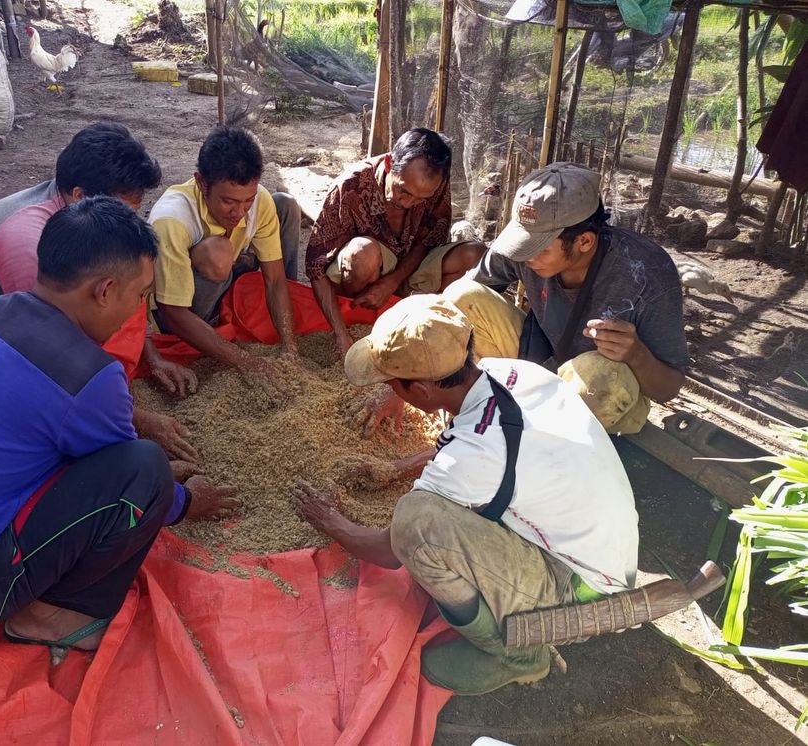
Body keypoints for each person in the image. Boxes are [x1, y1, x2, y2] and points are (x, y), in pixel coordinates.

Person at [0, 197, 239, 651]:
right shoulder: (89, 376)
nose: (138, 309)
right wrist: (187, 501)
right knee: (147, 466)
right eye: (140, 295)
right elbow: (129, 479)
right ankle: (51, 616)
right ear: (105, 290)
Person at [292, 294, 638, 694]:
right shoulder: (512, 372)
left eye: (391, 385)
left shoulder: (470, 458)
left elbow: (389, 550)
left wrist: (330, 521)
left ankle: (517, 655)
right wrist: (397, 469)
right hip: (605, 554)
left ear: (421, 391)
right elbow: (479, 442)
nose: (387, 391)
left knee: (415, 523)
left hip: (580, 593)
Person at [0, 121, 198, 461]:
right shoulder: (29, 250)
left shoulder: (70, 215)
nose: (127, 223)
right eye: (120, 211)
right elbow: (51, 365)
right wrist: (139, 421)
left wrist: (151, 357)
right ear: (80, 197)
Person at [451, 161, 689, 434]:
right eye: (521, 243)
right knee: (460, 298)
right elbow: (456, 305)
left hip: (599, 394)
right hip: (538, 361)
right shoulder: (525, 251)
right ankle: (494, 408)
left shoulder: (647, 273)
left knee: (600, 385)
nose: (526, 257)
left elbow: (669, 388)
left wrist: (636, 354)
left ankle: (543, 442)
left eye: (538, 249)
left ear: (584, 241)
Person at [149, 126, 302, 399]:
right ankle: (214, 321)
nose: (240, 213)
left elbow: (275, 279)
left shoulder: (259, 202)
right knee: (219, 252)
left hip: (227, 279)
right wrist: (245, 362)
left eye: (248, 201)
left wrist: (289, 347)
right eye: (228, 202)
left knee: (284, 204)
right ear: (201, 182)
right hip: (182, 312)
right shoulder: (171, 220)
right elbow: (172, 312)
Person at [305, 128, 485, 357]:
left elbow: (428, 241)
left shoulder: (435, 184)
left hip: (408, 271)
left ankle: (427, 328)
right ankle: (358, 318)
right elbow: (316, 266)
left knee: (475, 256)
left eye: (422, 198)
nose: (410, 203)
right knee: (363, 255)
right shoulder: (352, 185)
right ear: (390, 163)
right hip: (362, 279)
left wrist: (391, 282)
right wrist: (340, 334)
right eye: (403, 191)